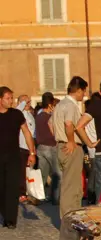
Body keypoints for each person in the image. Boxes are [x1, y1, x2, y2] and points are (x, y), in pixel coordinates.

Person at [52, 76, 98, 217]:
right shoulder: (71, 105)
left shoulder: (60, 104)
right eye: (83, 91)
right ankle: (69, 219)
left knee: (69, 184)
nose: (84, 95)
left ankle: (69, 216)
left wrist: (60, 139)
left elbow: (50, 123)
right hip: (71, 147)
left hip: (62, 145)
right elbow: (69, 124)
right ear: (78, 90)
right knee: (72, 187)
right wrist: (70, 141)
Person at [0, 87, 35, 229]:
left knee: (13, 187)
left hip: (14, 156)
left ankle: (11, 220)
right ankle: (4, 211)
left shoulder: (16, 114)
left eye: (12, 98)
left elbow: (26, 132)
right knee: (1, 187)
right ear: (0, 100)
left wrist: (32, 152)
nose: (11, 101)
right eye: (8, 98)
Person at [35, 92, 60, 204]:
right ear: (50, 103)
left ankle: (37, 197)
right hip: (51, 147)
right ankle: (55, 197)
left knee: (42, 174)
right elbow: (54, 133)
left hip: (40, 147)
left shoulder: (38, 116)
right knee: (56, 173)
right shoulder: (50, 117)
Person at [16, 95, 37, 204]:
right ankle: (21, 193)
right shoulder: (19, 113)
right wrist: (23, 103)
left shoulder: (30, 115)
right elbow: (17, 110)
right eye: (25, 102)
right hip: (20, 146)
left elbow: (33, 133)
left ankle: (29, 191)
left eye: (28, 101)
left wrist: (33, 149)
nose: (28, 103)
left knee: (29, 171)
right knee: (21, 172)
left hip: (29, 147)